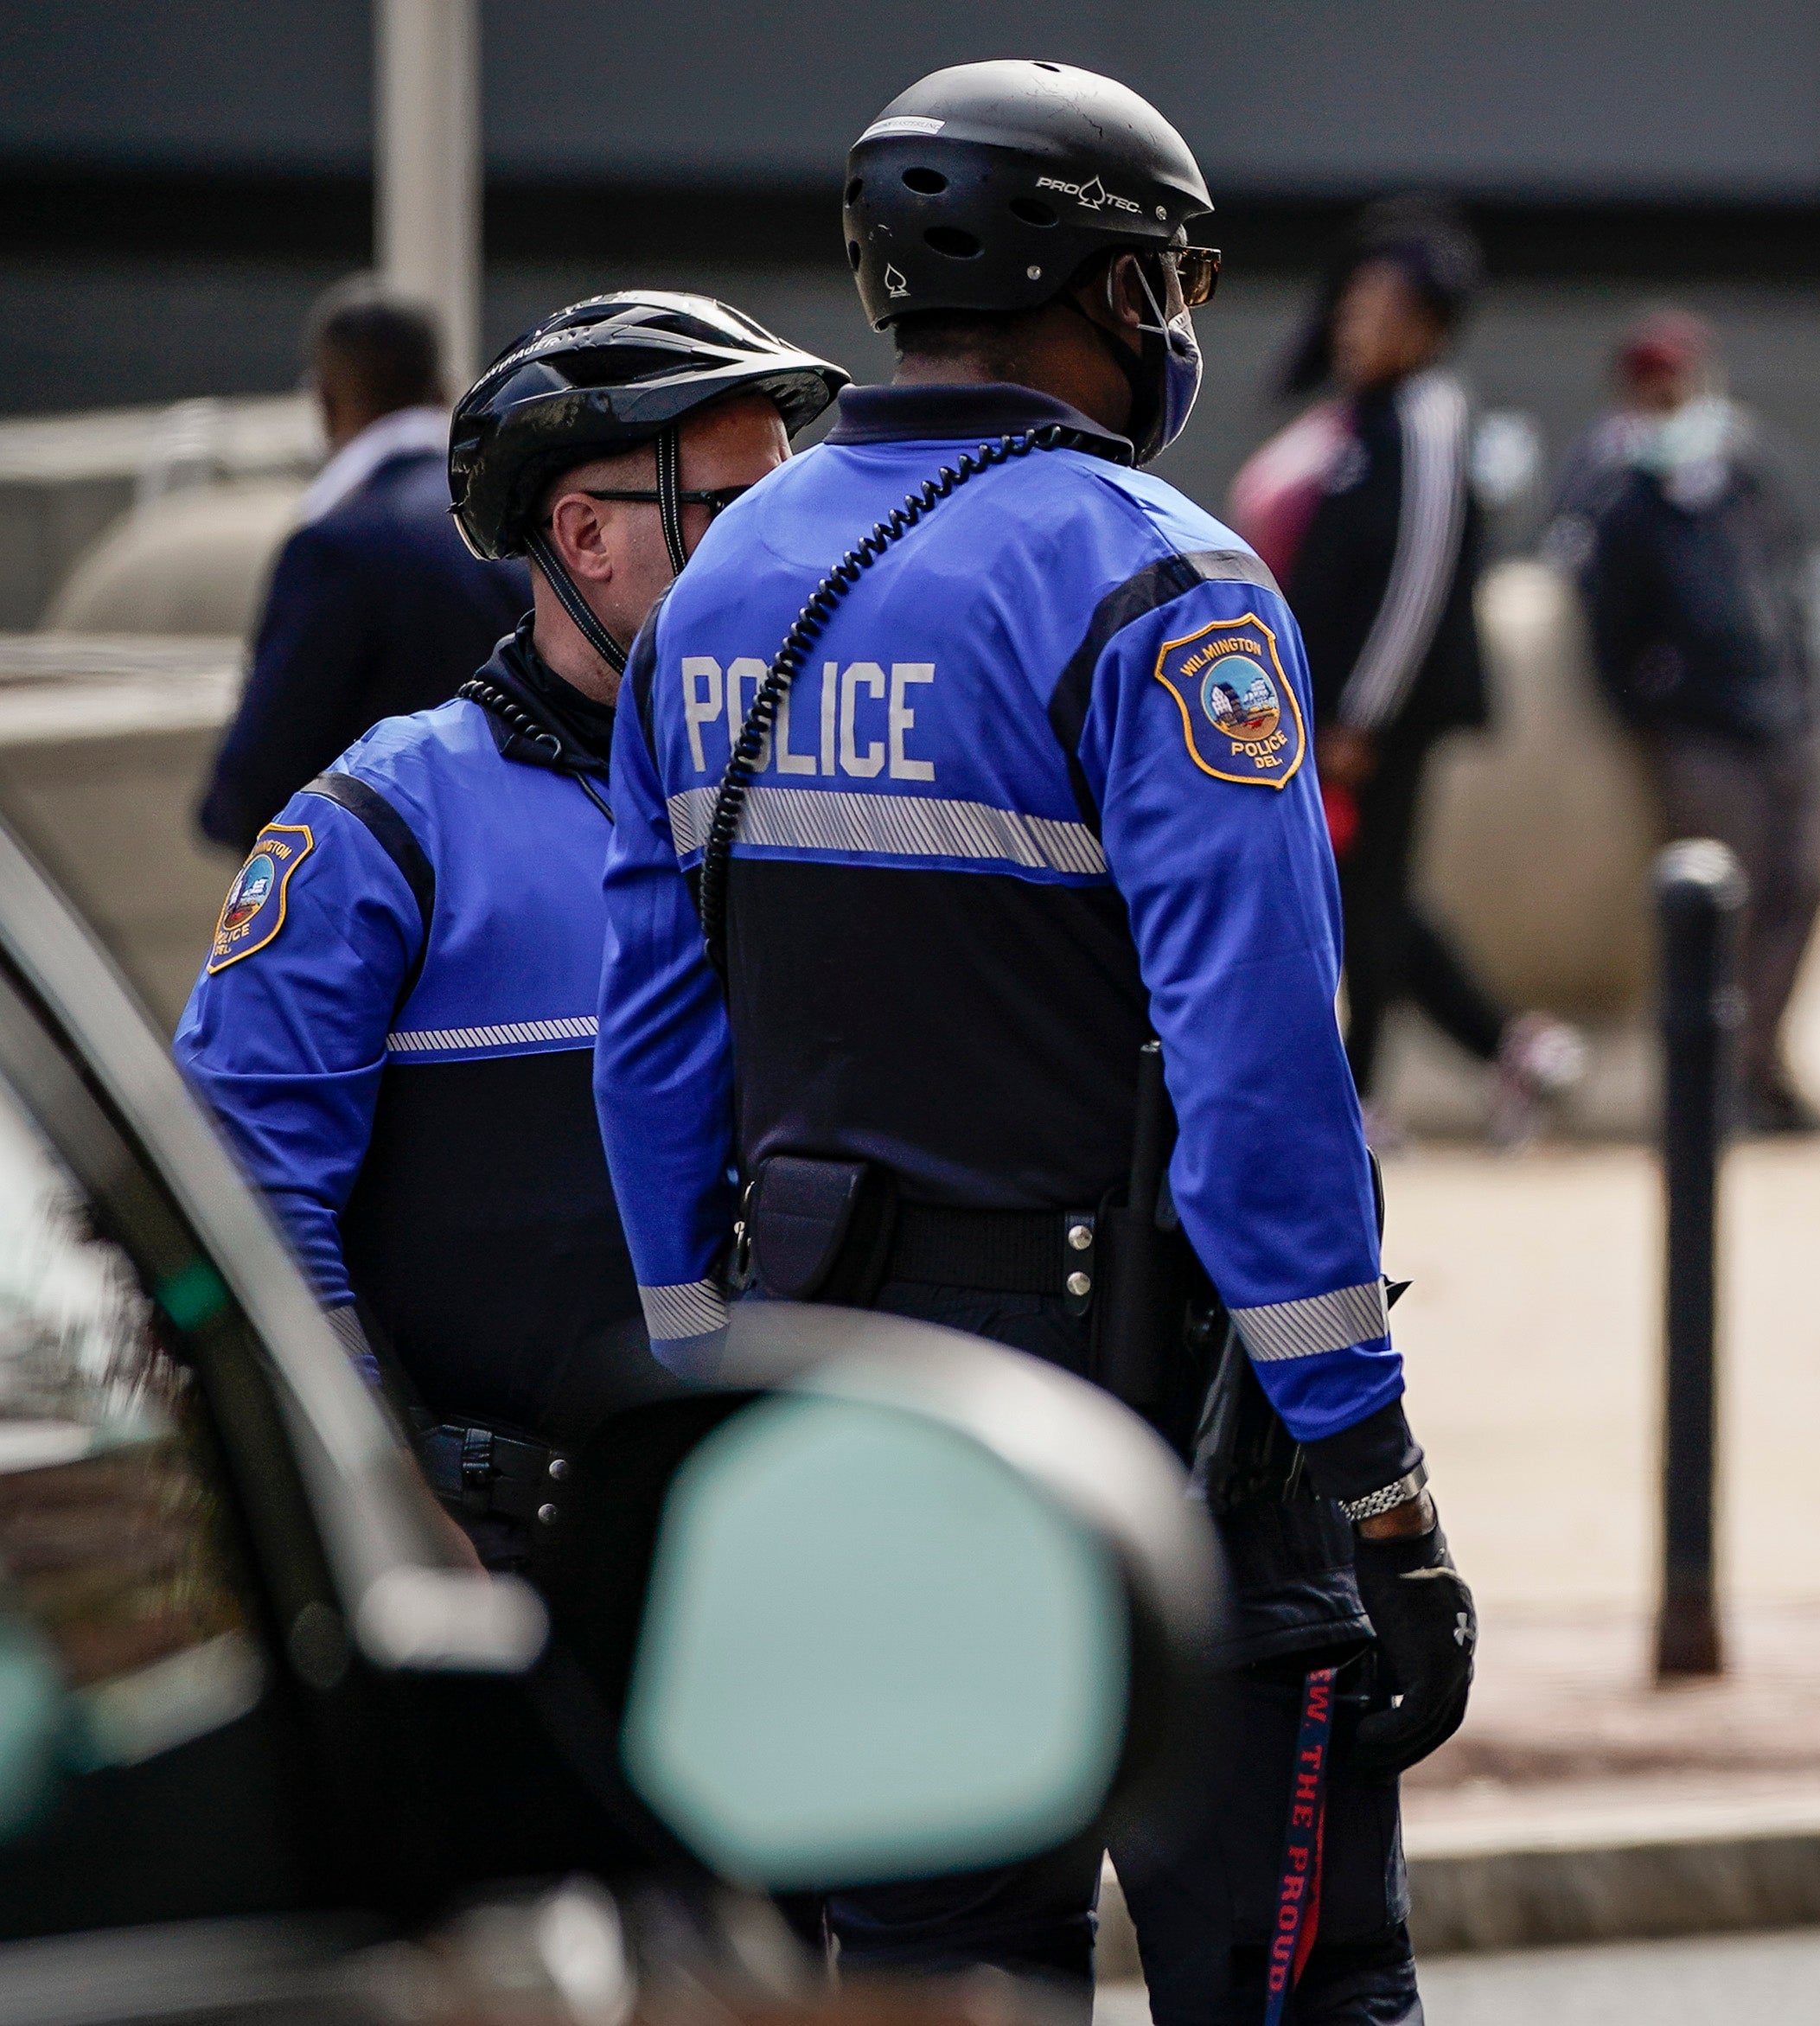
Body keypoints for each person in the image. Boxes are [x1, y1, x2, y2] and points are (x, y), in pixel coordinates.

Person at [594, 63, 1475, 2024]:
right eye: (1167, 280)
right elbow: (1261, 1082)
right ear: (1112, 286)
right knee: (1297, 1982)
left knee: (930, 1976)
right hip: (1160, 1423)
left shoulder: (714, 584)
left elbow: (653, 1045)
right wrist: (1380, 1478)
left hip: (842, 1410)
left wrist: (698, 1377)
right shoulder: (1158, 580)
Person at [173, 291, 844, 1568]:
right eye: (735, 513)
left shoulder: (837, 794)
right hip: (497, 1551)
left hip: (772, 1532)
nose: (786, 555)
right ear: (583, 535)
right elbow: (248, 1205)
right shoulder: (380, 824)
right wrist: (393, 1513)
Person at [1236, 196, 1583, 1147]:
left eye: (1383, 311)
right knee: (1360, 887)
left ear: (1429, 326)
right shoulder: (1364, 419)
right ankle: (1512, 1048)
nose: (1359, 327)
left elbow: (1418, 580)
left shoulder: (1429, 415)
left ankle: (1366, 1091)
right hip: (1327, 711)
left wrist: (1362, 714)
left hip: (1379, 717)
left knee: (1369, 894)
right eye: (1353, 307)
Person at [1547, 310, 1820, 1132]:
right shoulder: (1621, 497)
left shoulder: (1747, 469)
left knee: (1800, 883)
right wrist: (1650, 706)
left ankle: (1761, 1059)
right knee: (1720, 902)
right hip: (1701, 732)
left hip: (1781, 717)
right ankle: (1714, 1081)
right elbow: (1604, 624)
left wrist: (1805, 691)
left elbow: (1789, 580)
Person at [197, 277, 527, 853]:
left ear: (324, 401)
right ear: (444, 388)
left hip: (394, 901)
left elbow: (251, 783)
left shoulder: (336, 548)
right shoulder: (514, 521)